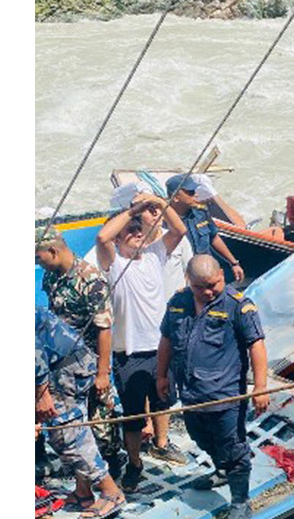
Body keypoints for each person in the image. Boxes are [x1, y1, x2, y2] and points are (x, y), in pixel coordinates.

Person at [155, 256, 268, 519]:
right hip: (191, 393)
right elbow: (166, 339)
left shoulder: (238, 305)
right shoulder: (178, 303)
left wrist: (260, 386)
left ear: (222, 275)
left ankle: (241, 501)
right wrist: (161, 375)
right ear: (188, 281)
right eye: (200, 287)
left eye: (213, 284)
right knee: (199, 436)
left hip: (225, 394)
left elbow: (256, 345)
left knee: (234, 447)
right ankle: (221, 471)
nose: (208, 292)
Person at [95, 192, 190, 491]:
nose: (136, 234)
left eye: (139, 229)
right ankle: (134, 463)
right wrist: (135, 209)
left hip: (161, 347)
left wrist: (160, 204)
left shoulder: (154, 254)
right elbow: (101, 237)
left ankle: (161, 443)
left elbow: (180, 230)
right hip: (130, 352)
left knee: (162, 402)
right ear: (120, 239)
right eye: (130, 232)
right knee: (134, 416)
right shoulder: (113, 263)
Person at [36, 230, 125, 478]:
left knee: (101, 419)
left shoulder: (91, 280)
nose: (37, 263)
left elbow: (104, 329)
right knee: (66, 418)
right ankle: (77, 468)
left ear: (53, 251)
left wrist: (103, 373)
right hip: (60, 362)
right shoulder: (51, 277)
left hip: (90, 362)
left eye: (39, 258)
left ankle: (111, 465)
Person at [35, 308, 127, 518]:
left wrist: (41, 394)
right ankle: (83, 493)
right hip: (67, 361)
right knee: (72, 430)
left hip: (64, 366)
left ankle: (111, 492)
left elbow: (33, 353)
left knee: (66, 434)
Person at [166, 174, 245, 284]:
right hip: (184, 277)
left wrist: (234, 263)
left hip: (207, 271)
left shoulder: (200, 213)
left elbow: (214, 238)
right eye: (190, 192)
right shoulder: (164, 223)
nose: (196, 194)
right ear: (175, 197)